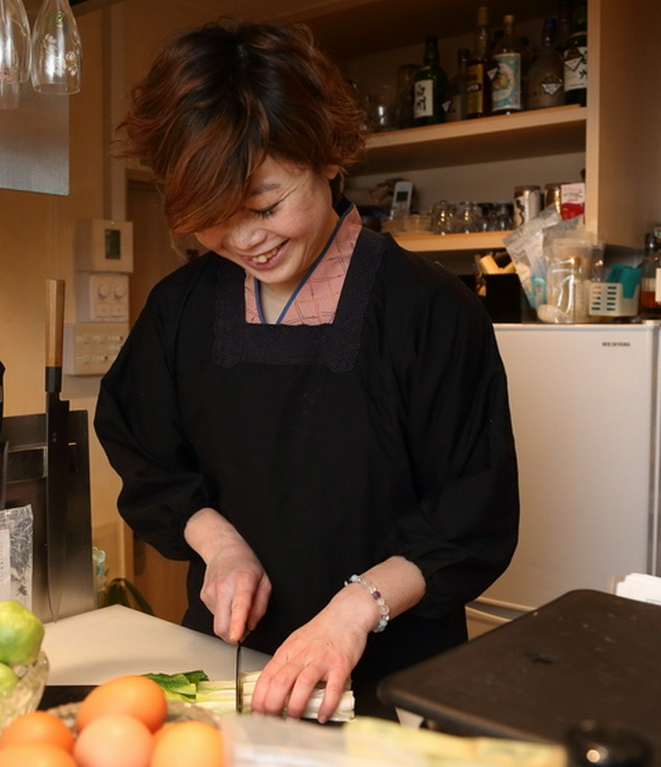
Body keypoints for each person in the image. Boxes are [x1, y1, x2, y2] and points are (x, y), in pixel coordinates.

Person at [93, 19, 520, 723]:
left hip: (398, 680)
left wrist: (354, 611)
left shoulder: (432, 312)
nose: (244, 239)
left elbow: (470, 514)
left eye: (264, 205)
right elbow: (148, 458)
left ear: (324, 155)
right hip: (230, 669)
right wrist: (222, 547)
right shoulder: (180, 310)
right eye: (211, 218)